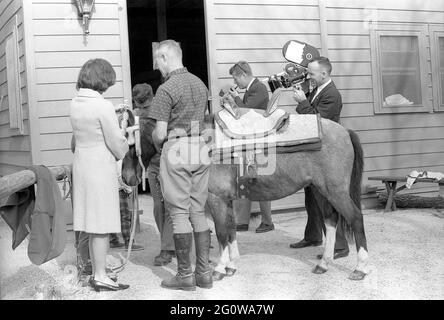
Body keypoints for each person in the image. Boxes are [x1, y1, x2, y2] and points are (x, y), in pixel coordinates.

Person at [148, 40, 212, 291]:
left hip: (177, 149)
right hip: (201, 147)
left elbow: (161, 134)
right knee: (198, 210)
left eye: (157, 60)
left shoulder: (166, 89)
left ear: (165, 57)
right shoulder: (200, 83)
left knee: (178, 213)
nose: (156, 66)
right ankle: (204, 274)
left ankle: (185, 275)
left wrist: (152, 136)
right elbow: (202, 121)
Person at [70, 58, 130, 291]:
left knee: (90, 222)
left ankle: (97, 272)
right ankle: (101, 275)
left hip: (82, 165)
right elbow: (116, 144)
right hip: (99, 169)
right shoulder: (103, 106)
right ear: (102, 80)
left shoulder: (75, 103)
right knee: (102, 224)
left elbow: (87, 130)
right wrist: (122, 132)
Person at [291, 56, 349, 260]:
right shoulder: (318, 89)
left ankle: (340, 246)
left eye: (312, 73)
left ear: (324, 73)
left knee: (328, 201)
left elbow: (317, 122)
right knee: (311, 199)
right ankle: (313, 235)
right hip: (313, 154)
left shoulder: (332, 94)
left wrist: (303, 102)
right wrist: (305, 100)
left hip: (325, 156)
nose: (309, 76)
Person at [228, 61, 274, 233]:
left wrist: (235, 98)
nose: (235, 83)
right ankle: (241, 221)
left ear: (243, 75)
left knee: (259, 181)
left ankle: (267, 221)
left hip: (258, 142)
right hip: (248, 141)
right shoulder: (251, 89)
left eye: (235, 78)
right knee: (243, 179)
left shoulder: (259, 88)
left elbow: (246, 111)